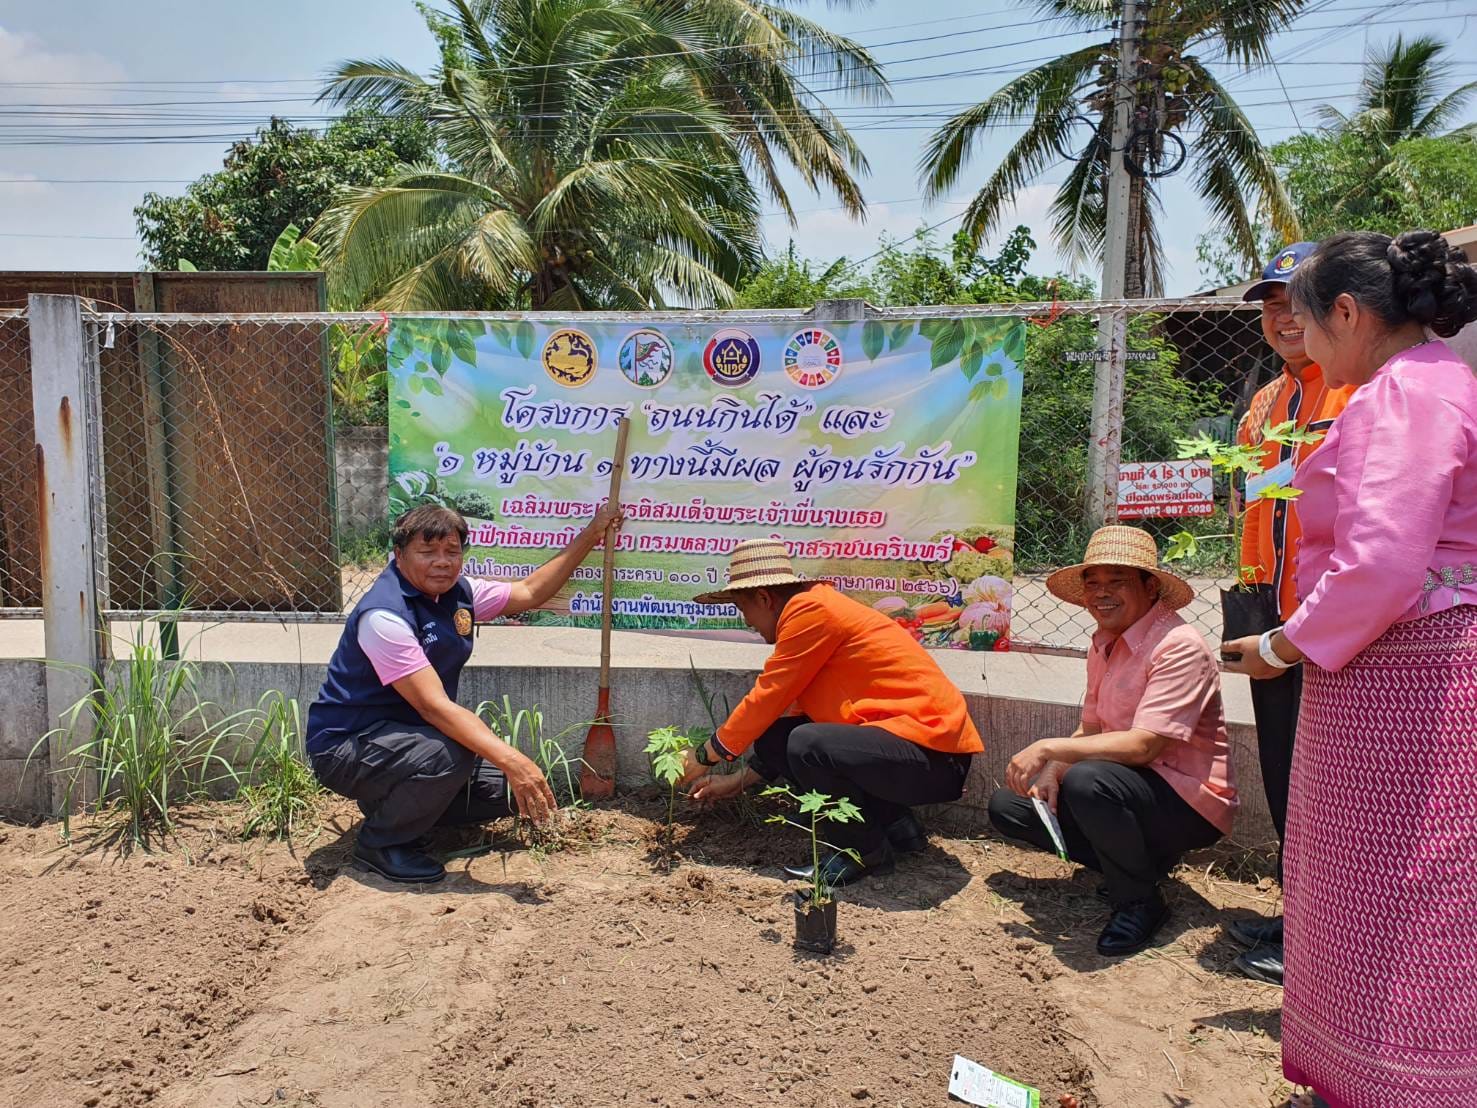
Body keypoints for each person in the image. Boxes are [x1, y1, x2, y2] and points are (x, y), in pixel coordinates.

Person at [1223, 229, 1477, 1108]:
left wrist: (1277, 646)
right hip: (1402, 663)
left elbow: (1378, 566)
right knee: (1402, 884)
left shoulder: (1397, 395)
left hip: (1399, 671)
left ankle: (1391, 1081)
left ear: (1344, 311)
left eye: (1302, 318)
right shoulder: (1439, 379)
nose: (1297, 338)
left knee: (1386, 892)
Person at [306, 502, 621, 884]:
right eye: (427, 552)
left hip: (404, 740)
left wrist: (592, 533)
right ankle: (381, 845)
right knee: (451, 755)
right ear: (399, 555)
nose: (442, 562)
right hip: (348, 746)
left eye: (452, 551)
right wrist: (514, 760)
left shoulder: (459, 593)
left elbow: (529, 592)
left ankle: (391, 804)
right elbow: (434, 707)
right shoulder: (385, 617)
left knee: (506, 791)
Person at [988, 526, 1237, 957]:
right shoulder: (1104, 641)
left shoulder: (1179, 646)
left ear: (1150, 586)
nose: (1101, 593)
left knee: (1088, 782)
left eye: (1117, 581)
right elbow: (1092, 728)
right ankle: (1143, 865)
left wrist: (1049, 749)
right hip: (1128, 789)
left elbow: (1144, 746)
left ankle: (1139, 903)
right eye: (1093, 583)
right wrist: (1052, 772)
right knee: (1010, 807)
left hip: (1187, 803)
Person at [674, 538, 982, 885]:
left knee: (808, 742)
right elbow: (782, 713)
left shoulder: (810, 612)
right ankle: (898, 827)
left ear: (764, 598)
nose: (747, 622)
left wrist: (706, 755)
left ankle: (861, 852)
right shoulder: (813, 610)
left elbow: (767, 696)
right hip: (914, 754)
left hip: (934, 759)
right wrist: (738, 781)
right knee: (778, 737)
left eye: (742, 608)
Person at [1225, 243, 1354, 986]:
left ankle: (1324, 941)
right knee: (1283, 772)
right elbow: (1254, 503)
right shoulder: (1264, 403)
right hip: (1266, 612)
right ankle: (1297, 914)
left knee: (1330, 789)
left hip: (1333, 623)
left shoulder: (1357, 387)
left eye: (1296, 301)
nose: (1283, 317)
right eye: (1271, 305)